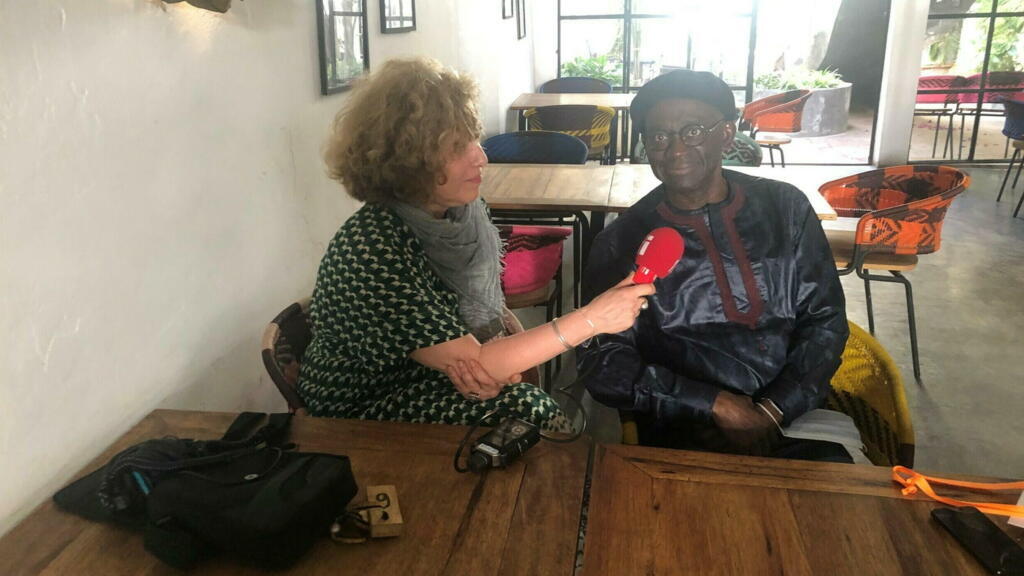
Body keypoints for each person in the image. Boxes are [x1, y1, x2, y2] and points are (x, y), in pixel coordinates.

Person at [297, 58, 653, 432]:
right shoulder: (373, 249)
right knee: (533, 411)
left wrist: (503, 358)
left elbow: (486, 320)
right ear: (407, 159)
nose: (481, 157)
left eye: (473, 139)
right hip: (364, 398)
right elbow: (478, 362)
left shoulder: (463, 211)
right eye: (456, 148)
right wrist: (592, 319)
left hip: (430, 363)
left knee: (522, 400)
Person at [578, 70, 851, 461]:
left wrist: (774, 409)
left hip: (796, 414)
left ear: (726, 134)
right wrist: (714, 404)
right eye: (658, 137)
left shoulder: (786, 209)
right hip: (682, 426)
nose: (674, 150)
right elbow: (603, 360)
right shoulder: (622, 240)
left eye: (692, 132)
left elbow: (825, 321)